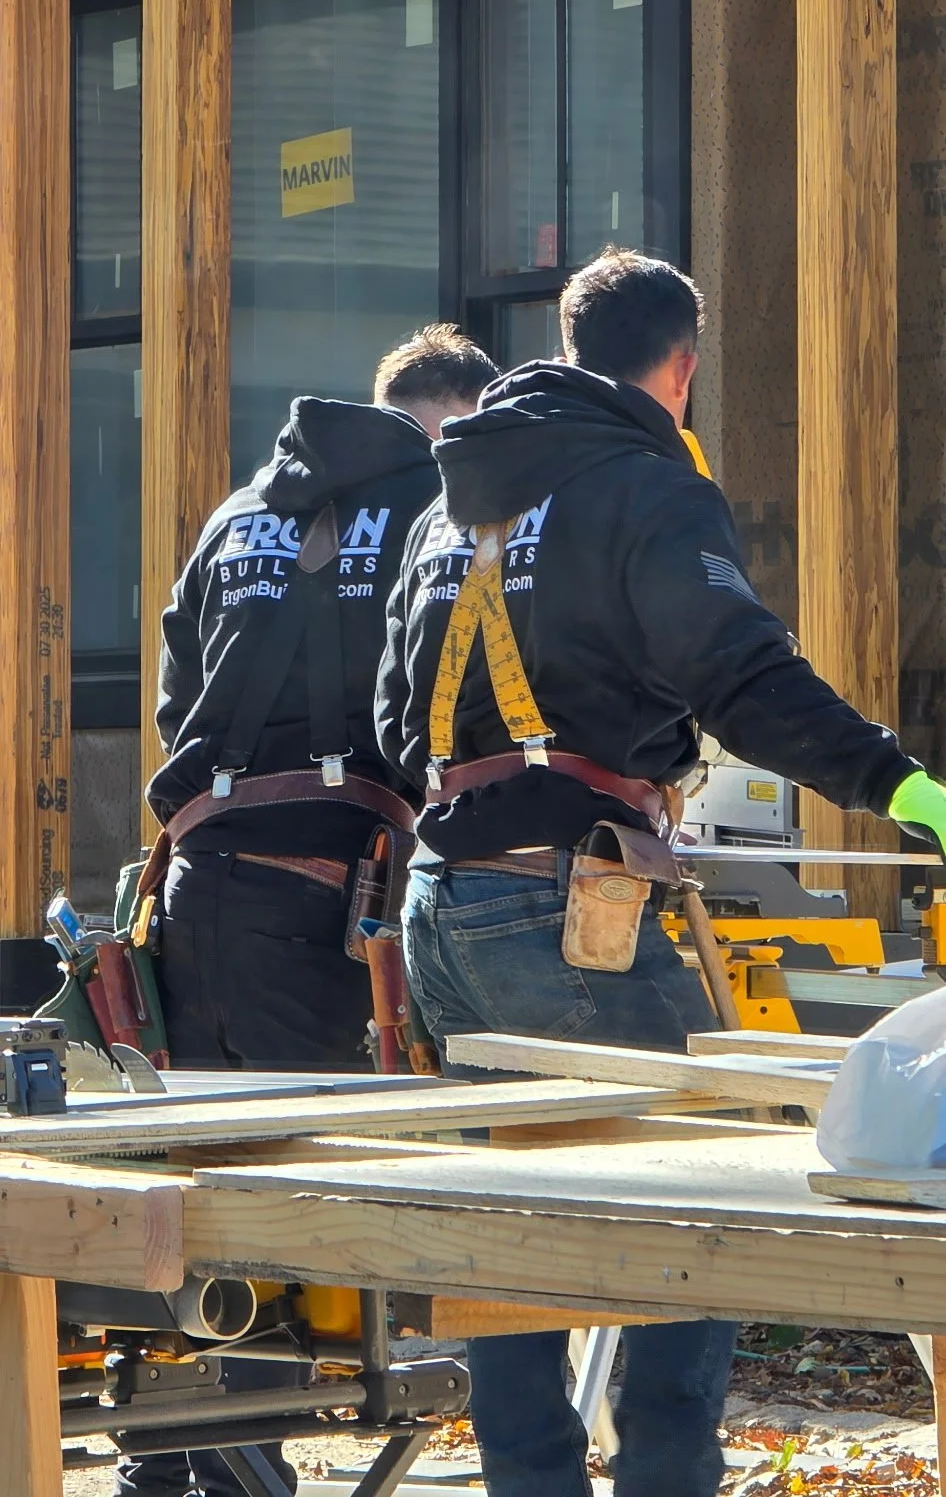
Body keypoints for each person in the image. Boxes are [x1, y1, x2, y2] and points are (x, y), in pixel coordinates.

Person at [375, 247, 946, 1497]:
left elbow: (388, 715)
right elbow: (743, 678)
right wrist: (904, 790)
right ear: (679, 367)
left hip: (442, 901)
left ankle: (533, 1482)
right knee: (700, 1205)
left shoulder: (444, 504)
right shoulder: (645, 487)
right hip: (563, 906)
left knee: (512, 1227)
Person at [116, 325, 497, 1497]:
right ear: (441, 422)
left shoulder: (235, 515)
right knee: (276, 1205)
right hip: (319, 894)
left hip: (190, 885)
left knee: (190, 1181)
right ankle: (231, 1472)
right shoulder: (428, 511)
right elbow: (438, 695)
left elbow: (179, 690)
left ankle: (161, 1467)